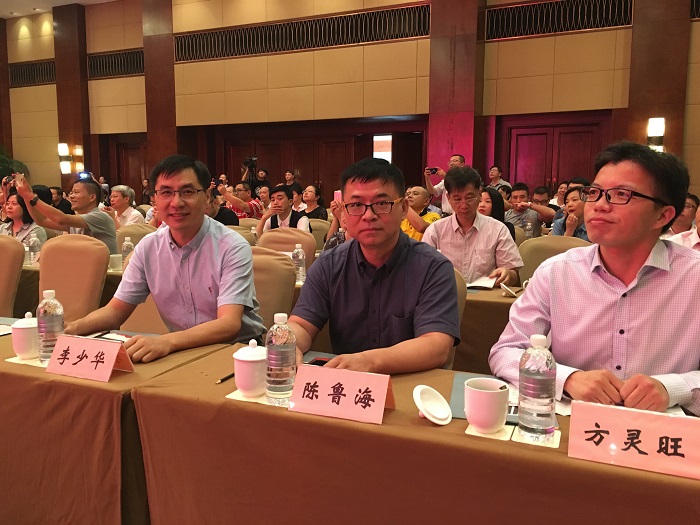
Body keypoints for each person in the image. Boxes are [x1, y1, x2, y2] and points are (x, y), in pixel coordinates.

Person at [490, 141, 700, 415]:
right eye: (595, 192)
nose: (599, 205)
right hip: (574, 427)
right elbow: (506, 352)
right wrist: (567, 379)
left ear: (663, 215)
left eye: (621, 194)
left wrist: (672, 388)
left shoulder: (694, 277)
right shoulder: (556, 272)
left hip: (662, 432)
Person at [64, 154, 266, 363]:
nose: (176, 202)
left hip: (238, 353)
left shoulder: (231, 246)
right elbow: (114, 311)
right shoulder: (148, 247)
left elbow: (228, 324)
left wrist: (167, 342)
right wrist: (70, 328)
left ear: (207, 196)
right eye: (166, 192)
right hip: (182, 352)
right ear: (155, 199)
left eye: (188, 192)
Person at [289, 157, 460, 374]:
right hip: (345, 387)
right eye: (356, 205)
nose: (369, 215)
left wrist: (369, 362)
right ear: (343, 213)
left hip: (410, 385)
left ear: (403, 208)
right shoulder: (328, 264)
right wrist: (289, 342)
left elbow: (436, 345)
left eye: (381, 204)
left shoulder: (433, 267)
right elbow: (301, 325)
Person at [423, 167, 522, 286]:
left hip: (485, 296)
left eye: (469, 198)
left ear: (479, 194)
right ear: (448, 198)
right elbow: (423, 271)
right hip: (445, 294)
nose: (464, 205)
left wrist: (508, 274)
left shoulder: (497, 229)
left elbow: (513, 274)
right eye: (457, 199)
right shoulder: (435, 230)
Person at [16, 174, 118, 254]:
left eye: (76, 192)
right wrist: (25, 196)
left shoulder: (100, 216)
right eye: (71, 193)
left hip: (106, 271)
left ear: (92, 197)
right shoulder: (76, 220)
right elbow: (42, 220)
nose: (71, 196)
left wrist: (30, 196)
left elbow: (61, 219)